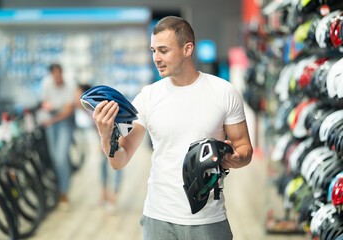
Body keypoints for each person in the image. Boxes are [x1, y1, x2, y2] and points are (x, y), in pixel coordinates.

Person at [93, 16, 253, 240]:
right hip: (158, 219)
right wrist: (105, 135)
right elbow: (119, 160)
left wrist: (236, 159)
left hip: (208, 219)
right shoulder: (148, 97)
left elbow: (245, 148)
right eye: (153, 50)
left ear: (187, 49)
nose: (156, 58)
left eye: (163, 50)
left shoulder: (224, 92)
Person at [75, 84, 122, 213]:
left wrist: (109, 142)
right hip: (106, 135)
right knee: (102, 163)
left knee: (117, 164)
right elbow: (96, 128)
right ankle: (105, 195)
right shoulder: (86, 110)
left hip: (118, 132)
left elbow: (114, 123)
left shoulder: (96, 107)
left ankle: (114, 198)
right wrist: (101, 143)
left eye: (76, 94)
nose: (74, 98)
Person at [41, 63, 75, 210]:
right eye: (54, 75)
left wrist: (52, 119)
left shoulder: (70, 85)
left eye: (59, 74)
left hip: (64, 121)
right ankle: (60, 186)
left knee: (61, 156)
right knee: (56, 157)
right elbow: (45, 103)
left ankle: (64, 193)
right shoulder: (46, 84)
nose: (57, 78)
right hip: (51, 121)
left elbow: (67, 111)